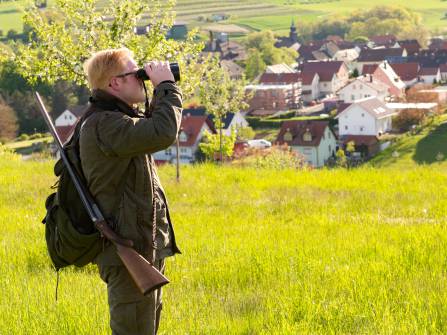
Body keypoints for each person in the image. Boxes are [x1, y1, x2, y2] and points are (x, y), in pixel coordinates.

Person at [79, 48, 182, 335]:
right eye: (136, 73)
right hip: (126, 248)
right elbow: (163, 131)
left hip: (140, 245)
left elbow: (151, 129)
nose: (143, 78)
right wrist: (165, 86)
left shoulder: (116, 119)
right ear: (114, 83)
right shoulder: (105, 124)